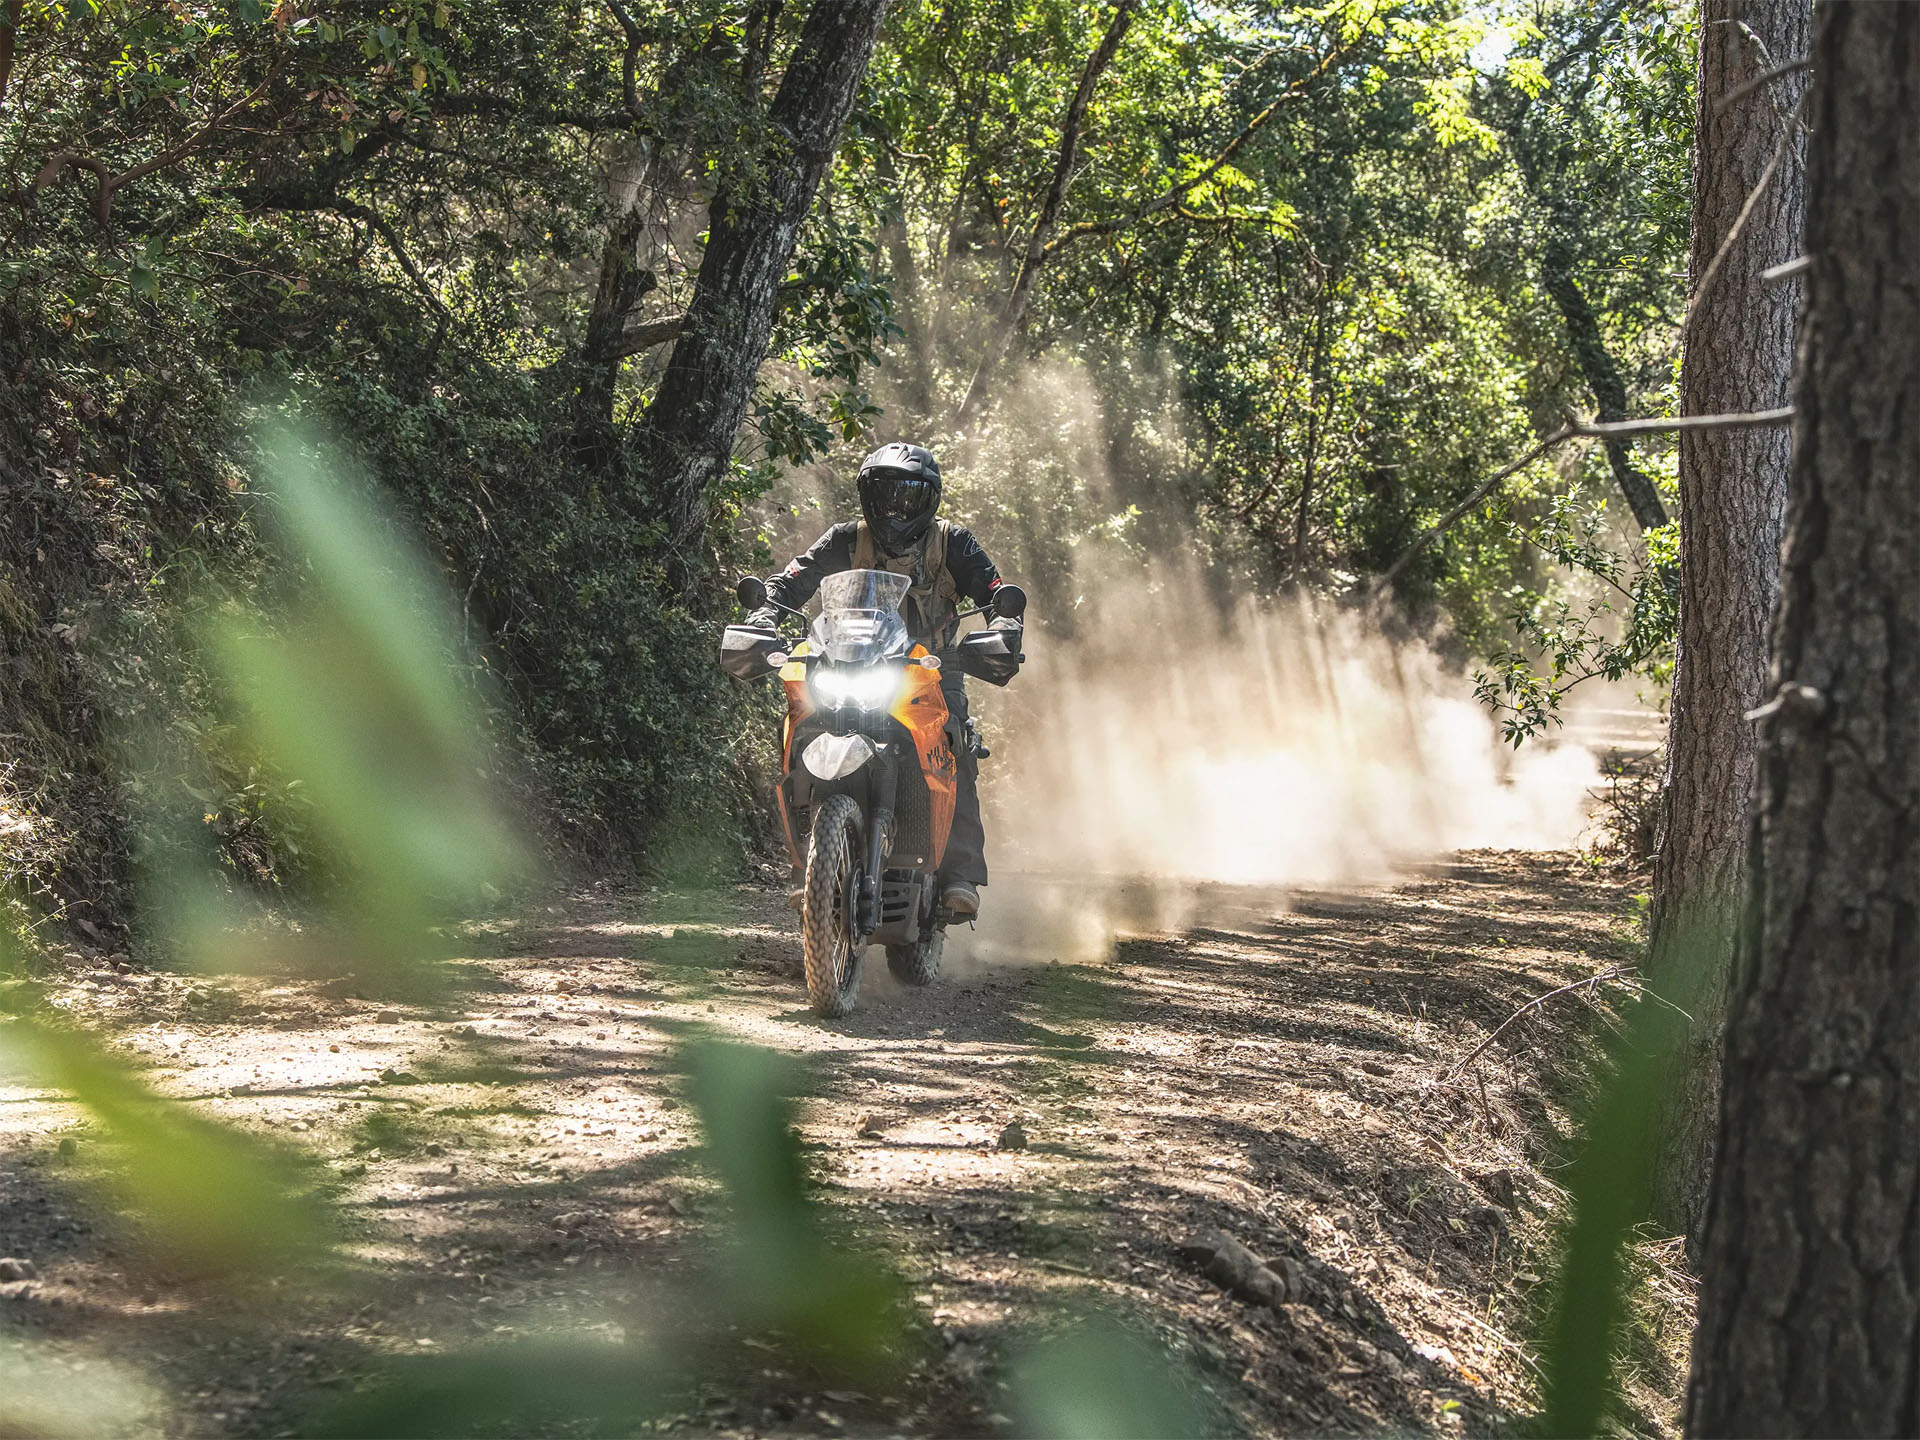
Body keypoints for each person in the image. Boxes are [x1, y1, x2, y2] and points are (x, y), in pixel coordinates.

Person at [749, 441, 1013, 917]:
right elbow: (790, 583)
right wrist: (766, 612)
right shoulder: (845, 539)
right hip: (849, 665)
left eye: (907, 497)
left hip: (930, 670)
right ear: (866, 497)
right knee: (798, 729)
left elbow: (995, 593)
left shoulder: (953, 543)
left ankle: (960, 875)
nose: (895, 508)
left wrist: (1004, 627)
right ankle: (807, 864)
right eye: (884, 494)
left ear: (929, 500)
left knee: (955, 748)